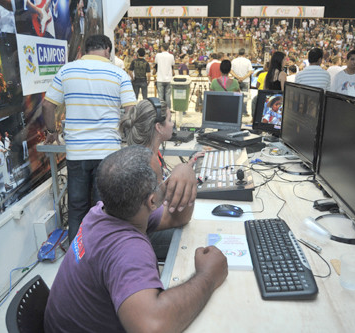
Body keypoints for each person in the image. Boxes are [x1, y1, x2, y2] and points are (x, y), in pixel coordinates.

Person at [44, 145, 227, 333]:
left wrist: (186, 175)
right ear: (152, 201)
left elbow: (178, 217)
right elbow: (152, 327)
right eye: (162, 177)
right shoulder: (127, 249)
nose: (165, 180)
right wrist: (208, 275)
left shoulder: (103, 211)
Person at [42, 34, 136, 245]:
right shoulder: (119, 74)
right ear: (107, 50)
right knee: (103, 209)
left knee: (77, 208)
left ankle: (78, 261)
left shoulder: (66, 71)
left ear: (86, 50)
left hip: (77, 154)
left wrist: (52, 132)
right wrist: (121, 131)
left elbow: (48, 105)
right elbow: (131, 111)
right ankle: (101, 256)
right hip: (108, 154)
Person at [119, 99, 204, 259]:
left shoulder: (148, 153)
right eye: (170, 120)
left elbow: (159, 191)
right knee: (195, 238)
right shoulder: (144, 165)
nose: (173, 124)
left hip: (149, 224)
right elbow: (162, 208)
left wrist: (188, 167)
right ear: (158, 127)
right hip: (145, 235)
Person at [231, 48, 254, 116]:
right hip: (245, 81)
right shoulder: (247, 61)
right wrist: (243, 78)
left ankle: (235, 111)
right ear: (244, 54)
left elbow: (231, 71)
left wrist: (238, 77)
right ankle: (244, 112)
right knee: (244, 97)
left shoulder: (234, 61)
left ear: (238, 53)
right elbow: (250, 71)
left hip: (236, 80)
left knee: (235, 96)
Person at [154, 43, 175, 109]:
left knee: (160, 96)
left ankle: (161, 110)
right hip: (168, 78)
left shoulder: (158, 55)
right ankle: (168, 110)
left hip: (160, 78)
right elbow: (172, 65)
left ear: (162, 48)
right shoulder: (171, 56)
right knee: (168, 96)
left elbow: (156, 64)